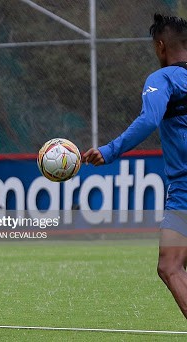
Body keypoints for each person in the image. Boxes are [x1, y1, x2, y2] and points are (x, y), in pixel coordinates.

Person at [82, 13, 187, 319]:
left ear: (160, 45)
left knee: (170, 266)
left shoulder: (162, 78)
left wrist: (110, 151)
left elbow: (150, 119)